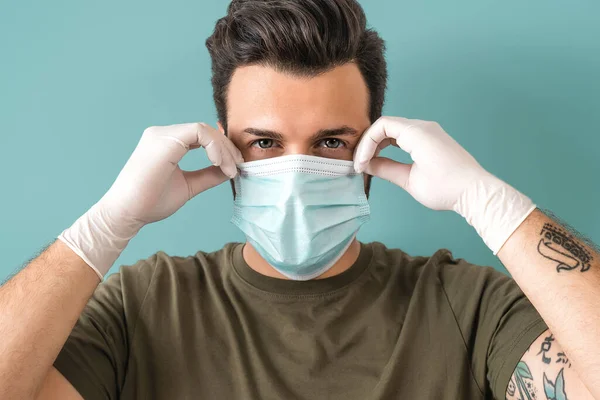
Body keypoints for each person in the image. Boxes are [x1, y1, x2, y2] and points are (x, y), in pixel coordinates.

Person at [0, 0, 598, 399]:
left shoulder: (468, 307)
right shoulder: (144, 306)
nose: (293, 171)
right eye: (263, 143)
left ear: (374, 143)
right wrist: (108, 224)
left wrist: (487, 201)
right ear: (222, 149)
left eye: (331, 142)